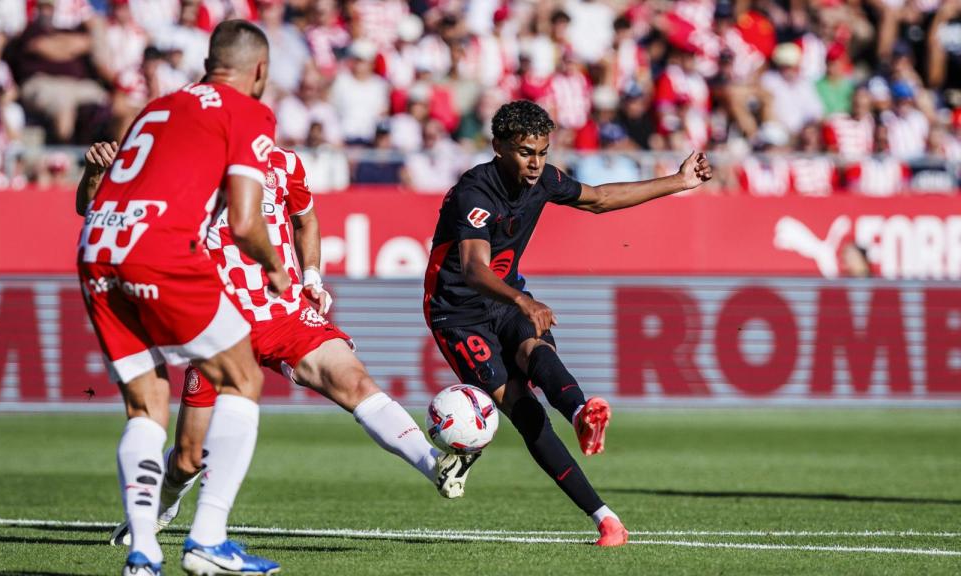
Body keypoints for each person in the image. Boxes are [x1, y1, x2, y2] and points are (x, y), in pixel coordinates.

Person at [83, 139, 480, 548]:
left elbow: (305, 220)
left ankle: (436, 466)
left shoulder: (283, 162)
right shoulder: (180, 163)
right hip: (218, 323)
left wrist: (312, 277)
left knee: (355, 382)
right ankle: (161, 507)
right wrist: (96, 173)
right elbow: (95, 211)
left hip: (286, 312)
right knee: (189, 458)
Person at [422, 100, 712, 547]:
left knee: (534, 349)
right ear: (498, 146)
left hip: (507, 298)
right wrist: (522, 299)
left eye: (542, 152)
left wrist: (680, 181)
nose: (536, 163)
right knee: (525, 410)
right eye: (525, 152)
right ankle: (604, 516)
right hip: (458, 314)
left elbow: (600, 199)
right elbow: (475, 270)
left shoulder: (544, 180)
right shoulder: (474, 194)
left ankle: (580, 413)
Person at [75, 20, 288, 576]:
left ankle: (144, 552)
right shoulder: (248, 111)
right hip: (160, 247)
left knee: (146, 405)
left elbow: (100, 195)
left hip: (98, 244)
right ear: (260, 70)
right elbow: (245, 222)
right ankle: (208, 539)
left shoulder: (159, 105)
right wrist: (274, 265)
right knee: (242, 376)